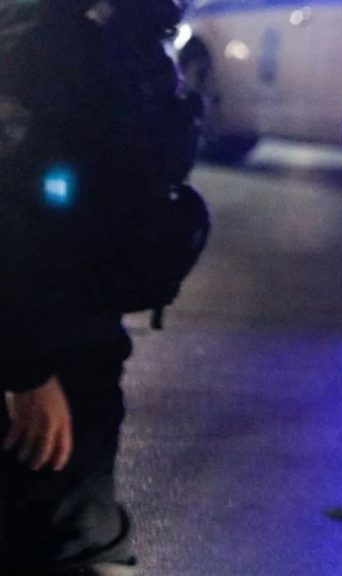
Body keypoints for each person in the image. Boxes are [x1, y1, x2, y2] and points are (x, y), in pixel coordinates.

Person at [0, 1, 204, 574]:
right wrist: (25, 372)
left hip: (79, 332)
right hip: (51, 346)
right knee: (66, 538)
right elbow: (13, 208)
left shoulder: (105, 28)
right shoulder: (42, 38)